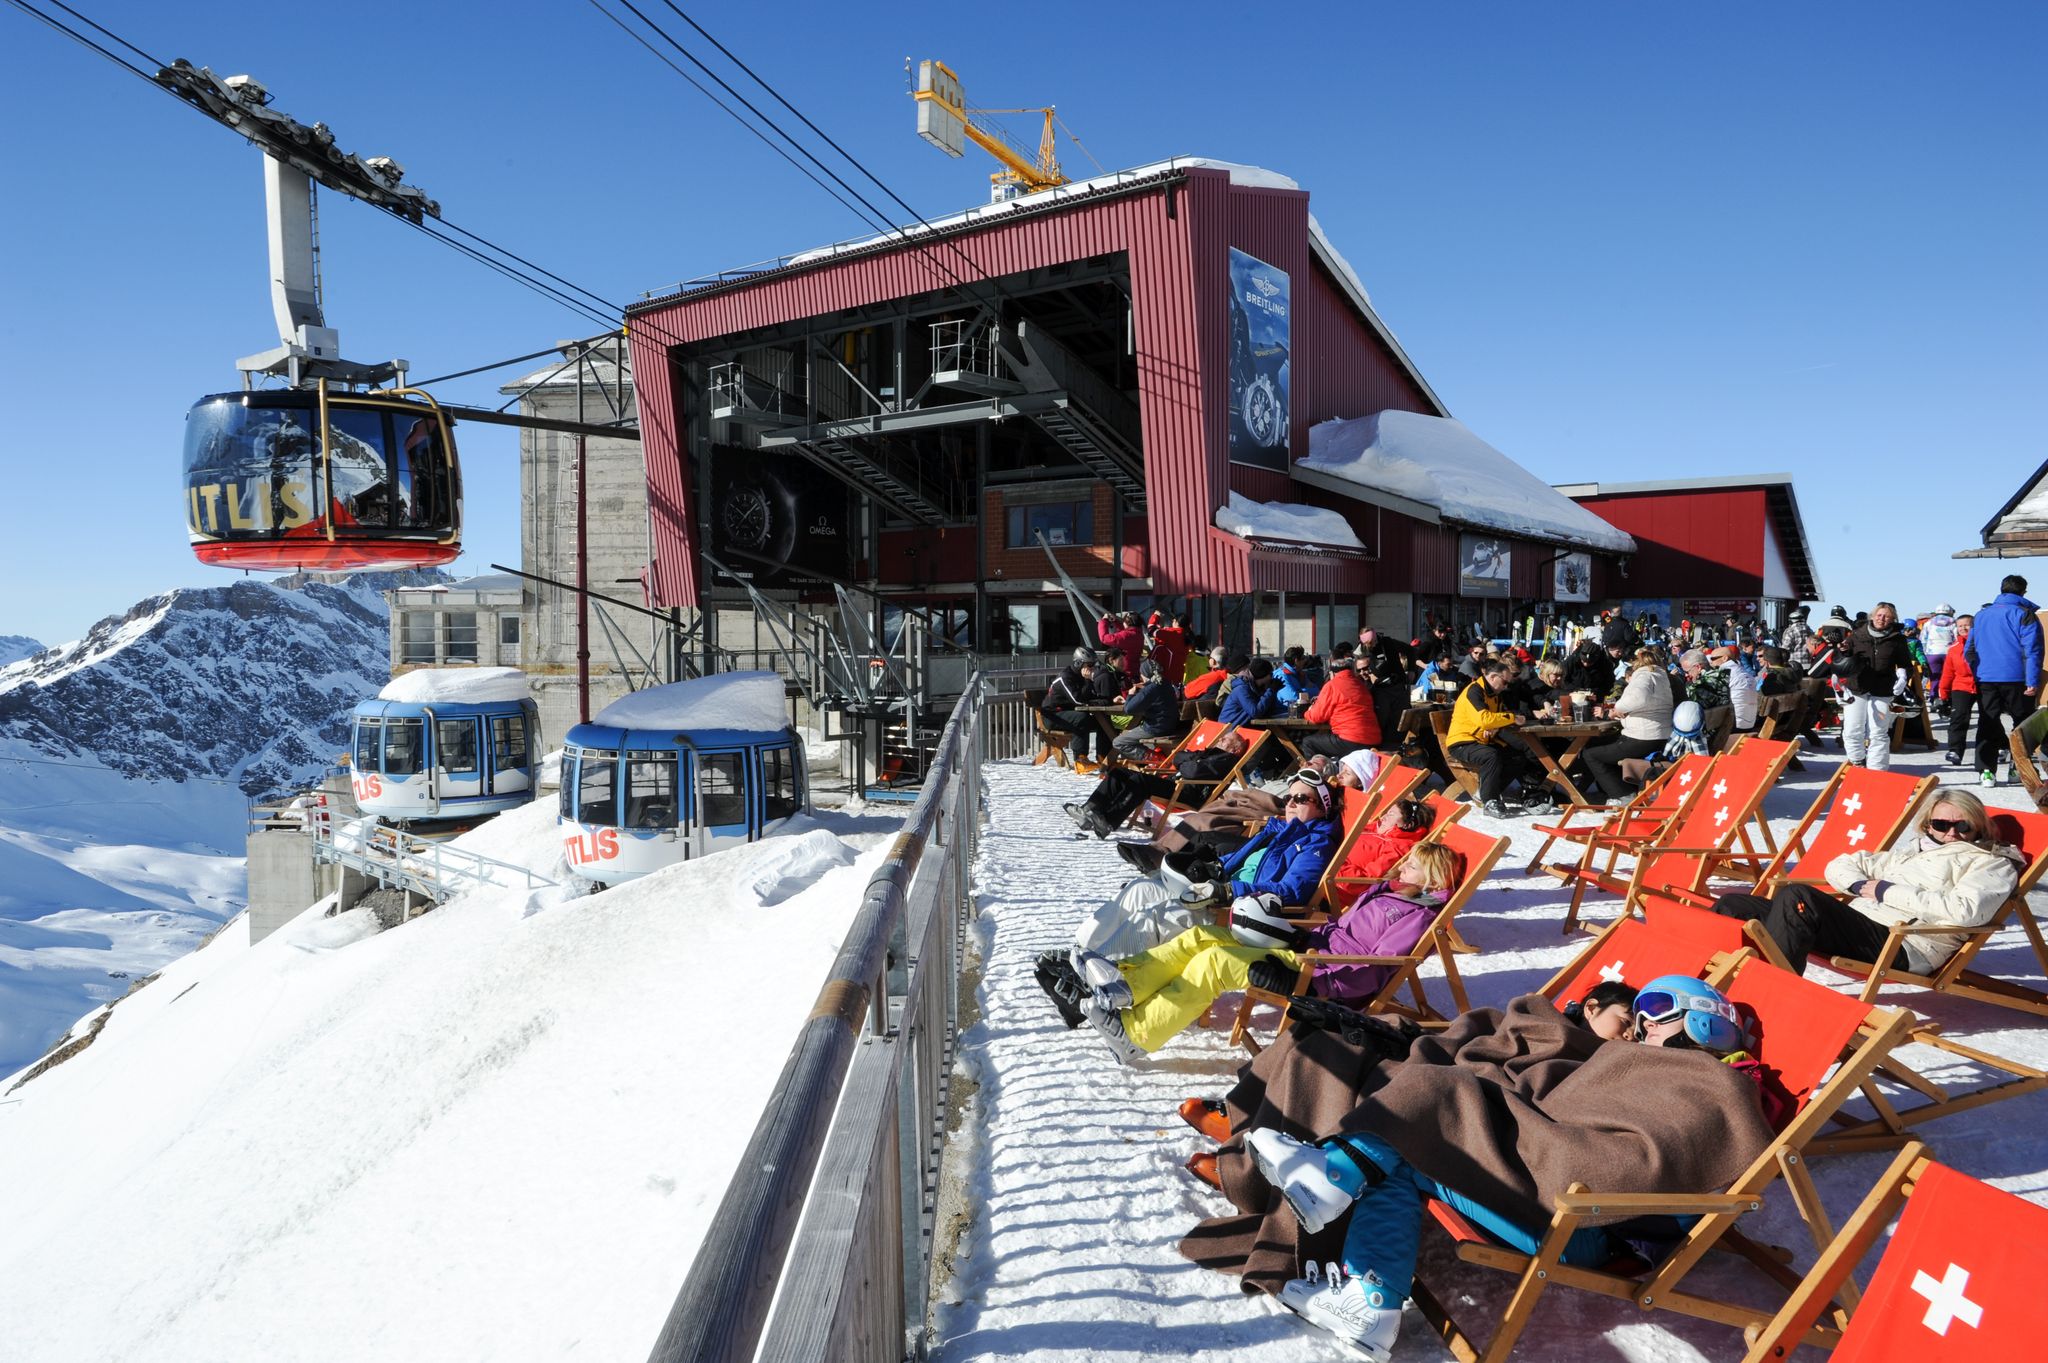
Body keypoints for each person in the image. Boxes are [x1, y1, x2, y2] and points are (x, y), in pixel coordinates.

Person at [1206, 981, 1771, 1356]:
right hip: (1559, 1193)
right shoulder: (1640, 1064)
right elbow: (1563, 1106)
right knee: (1411, 1145)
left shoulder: (1718, 1087)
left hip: (1586, 1223)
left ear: (1706, 1025)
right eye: (1638, 1012)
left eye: (1655, 1011)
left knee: (1428, 1114)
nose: (1641, 1029)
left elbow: (1639, 1155)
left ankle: (1333, 1175)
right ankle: (1370, 1304)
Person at [1049, 843, 1462, 1065]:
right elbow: (1338, 931)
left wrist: (1318, 972)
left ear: (1431, 878)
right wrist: (1305, 939)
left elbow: (1376, 971)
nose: (1401, 868)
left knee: (1215, 963)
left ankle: (1136, 1035)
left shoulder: (1413, 914)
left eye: (1411, 867)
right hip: (1311, 954)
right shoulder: (1386, 894)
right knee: (1206, 936)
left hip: (1324, 977)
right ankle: (1125, 984)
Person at [1710, 791, 2019, 976]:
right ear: (1928, 825)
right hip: (1864, 927)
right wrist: (1859, 887)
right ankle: (1717, 982)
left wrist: (1887, 891)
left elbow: (1965, 911)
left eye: (1962, 825)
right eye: (1941, 824)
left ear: (1978, 823)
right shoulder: (1913, 852)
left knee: (1798, 898)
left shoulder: (1990, 862)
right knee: (1734, 904)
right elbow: (1842, 864)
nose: (1952, 833)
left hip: (1905, 943)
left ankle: (1769, 992)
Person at [1067, 768, 1341, 962]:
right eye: (1289, 798)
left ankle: (1099, 970)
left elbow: (1292, 891)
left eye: (1302, 799)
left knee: (1159, 917)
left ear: (1322, 807)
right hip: (1218, 891)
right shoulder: (1279, 829)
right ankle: (1081, 951)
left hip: (1240, 910)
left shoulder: (1316, 844)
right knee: (1141, 888)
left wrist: (1228, 890)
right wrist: (1211, 868)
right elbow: (1239, 861)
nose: (1291, 803)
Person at [1064, 727, 1250, 840]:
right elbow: (1178, 758)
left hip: (1187, 793)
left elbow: (1191, 771)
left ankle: (1108, 821)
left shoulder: (1225, 759)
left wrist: (1190, 763)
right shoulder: (1213, 753)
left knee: (1139, 781)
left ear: (1234, 748)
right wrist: (1190, 762)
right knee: (1119, 772)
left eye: (1225, 739)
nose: (1220, 738)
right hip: (1177, 783)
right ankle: (1089, 809)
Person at [1965, 574, 2043, 787]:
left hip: (1986, 678)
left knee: (1987, 721)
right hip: (2017, 677)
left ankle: (1986, 772)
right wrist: (2032, 680)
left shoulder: (1981, 615)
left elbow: (1969, 650)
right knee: (2022, 725)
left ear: (2001, 590)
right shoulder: (2024, 614)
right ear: (2023, 592)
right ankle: (2017, 769)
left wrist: (1978, 672)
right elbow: (2032, 650)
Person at [1446, 658, 1548, 817]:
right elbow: (1485, 719)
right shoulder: (1475, 690)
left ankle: (1488, 790)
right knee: (1491, 756)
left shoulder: (1494, 693)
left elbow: (1497, 717)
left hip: (1481, 740)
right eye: (1505, 682)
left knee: (1517, 755)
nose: (1507, 686)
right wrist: (1510, 718)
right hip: (1462, 742)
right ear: (1493, 677)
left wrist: (1499, 723)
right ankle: (1490, 800)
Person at [1580, 647, 1675, 801]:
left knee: (1591, 754)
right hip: (1660, 735)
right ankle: (1623, 790)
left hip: (1642, 736)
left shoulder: (1644, 675)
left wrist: (1618, 709)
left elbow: (1637, 699)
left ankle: (1622, 795)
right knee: (1600, 744)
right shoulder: (1660, 676)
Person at [1835, 601, 1911, 770]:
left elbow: (1906, 664)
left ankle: (1877, 770)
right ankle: (1857, 761)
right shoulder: (1856, 634)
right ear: (1873, 616)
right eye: (1879, 615)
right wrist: (1843, 651)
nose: (1882, 619)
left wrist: (1904, 675)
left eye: (1886, 616)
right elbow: (1844, 657)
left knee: (1878, 731)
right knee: (1852, 728)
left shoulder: (1897, 639)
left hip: (1883, 688)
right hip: (1857, 685)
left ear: (1892, 619)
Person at [1302, 651, 1382, 759]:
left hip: (1350, 739)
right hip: (1373, 739)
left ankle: (1316, 774)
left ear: (1332, 673)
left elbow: (1317, 716)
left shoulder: (1332, 685)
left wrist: (1308, 712)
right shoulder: (1361, 685)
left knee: (1308, 742)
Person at [1110, 658, 1186, 761]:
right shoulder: (1166, 683)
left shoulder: (1150, 689)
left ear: (1144, 674)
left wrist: (1131, 695)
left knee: (1119, 742)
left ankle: (1154, 758)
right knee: (1128, 736)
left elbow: (1129, 709)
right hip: (1171, 724)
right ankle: (1149, 758)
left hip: (1156, 728)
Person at [1040, 648, 1106, 765]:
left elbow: (1091, 695)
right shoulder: (1065, 677)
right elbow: (1078, 700)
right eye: (1089, 665)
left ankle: (1104, 758)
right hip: (1053, 715)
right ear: (1078, 663)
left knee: (1103, 721)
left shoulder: (1082, 677)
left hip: (1068, 713)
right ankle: (1080, 759)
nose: (1092, 668)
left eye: (1094, 665)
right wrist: (1088, 681)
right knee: (1081, 718)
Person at [1356, 626, 1414, 741]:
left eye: (1371, 642)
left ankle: (1400, 743)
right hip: (1380, 687)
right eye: (1367, 644)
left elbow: (1410, 650)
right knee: (1382, 717)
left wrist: (1411, 669)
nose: (1370, 646)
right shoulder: (1362, 648)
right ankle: (1381, 743)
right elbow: (1359, 663)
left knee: (1400, 717)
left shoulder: (1388, 643)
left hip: (1397, 683)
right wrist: (1367, 674)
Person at [1941, 614, 1978, 767]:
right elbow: (1948, 672)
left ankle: (2002, 745)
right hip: (1961, 685)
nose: (1963, 628)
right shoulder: (1954, 649)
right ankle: (1955, 750)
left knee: (1990, 718)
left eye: (1967, 625)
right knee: (1959, 717)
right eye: (1960, 625)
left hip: (1982, 683)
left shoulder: (1983, 644)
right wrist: (1943, 691)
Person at [1709, 644, 1760, 735]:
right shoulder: (1744, 672)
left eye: (1713, 659)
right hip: (1750, 723)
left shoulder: (1724, 674)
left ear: (1725, 658)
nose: (1711, 662)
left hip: (1734, 725)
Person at [1220, 657, 1283, 727]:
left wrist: (1273, 692)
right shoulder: (1242, 689)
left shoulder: (1257, 688)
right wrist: (1271, 691)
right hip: (1229, 732)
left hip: (1244, 728)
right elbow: (1255, 712)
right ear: (1263, 675)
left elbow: (1267, 711)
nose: (1272, 678)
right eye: (1270, 674)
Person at [1920, 603, 1959, 706]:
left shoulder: (1929, 623)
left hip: (1932, 654)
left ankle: (1934, 699)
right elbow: (1956, 638)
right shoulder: (1953, 623)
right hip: (1949, 653)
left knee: (1934, 678)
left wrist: (1925, 653)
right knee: (1950, 677)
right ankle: (1947, 700)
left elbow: (1923, 639)